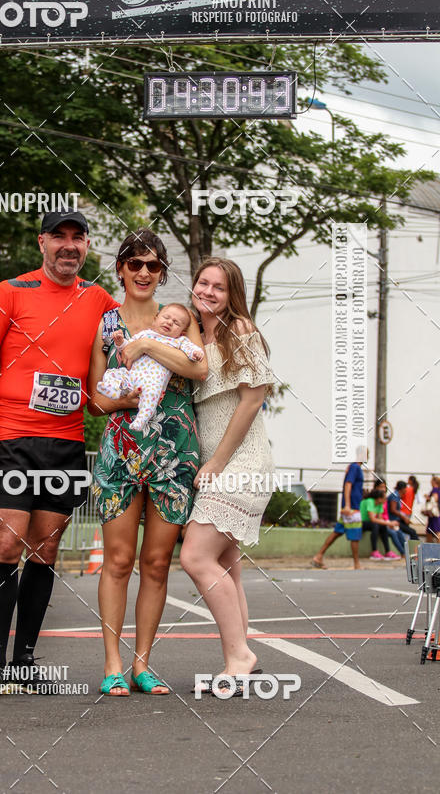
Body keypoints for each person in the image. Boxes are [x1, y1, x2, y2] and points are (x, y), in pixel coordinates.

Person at [0, 209, 118, 697]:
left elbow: (136, 330)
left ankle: (25, 660)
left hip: (67, 443)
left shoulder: (98, 300)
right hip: (12, 438)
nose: (69, 246)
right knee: (7, 545)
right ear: (42, 243)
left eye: (78, 238)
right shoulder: (11, 291)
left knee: (46, 549)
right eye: (60, 237)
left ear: (87, 247)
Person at [89, 230, 207, 696]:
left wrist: (145, 347)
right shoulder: (105, 323)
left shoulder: (178, 318)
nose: (143, 272)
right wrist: (126, 399)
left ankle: (143, 664)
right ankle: (113, 663)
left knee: (157, 563)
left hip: (174, 453)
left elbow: (198, 369)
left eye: (153, 265)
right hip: (122, 449)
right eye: (134, 263)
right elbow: (97, 397)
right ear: (120, 268)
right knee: (118, 560)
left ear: (162, 272)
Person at [179, 258, 276, 690]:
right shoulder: (193, 335)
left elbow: (252, 401)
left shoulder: (240, 331)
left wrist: (216, 463)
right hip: (212, 467)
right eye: (203, 283)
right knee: (226, 564)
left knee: (196, 556)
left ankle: (240, 654)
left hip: (242, 464)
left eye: (219, 286)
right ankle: (239, 660)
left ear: (231, 293)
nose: (209, 291)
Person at [96, 303, 204, 431]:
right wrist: (120, 342)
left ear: (182, 332)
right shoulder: (145, 334)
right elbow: (128, 348)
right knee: (113, 373)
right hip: (133, 374)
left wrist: (196, 353)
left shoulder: (179, 341)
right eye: (166, 317)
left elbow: (191, 350)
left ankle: (142, 418)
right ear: (156, 319)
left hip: (152, 381)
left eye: (176, 323)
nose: (169, 322)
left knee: (152, 394)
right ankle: (113, 389)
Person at [312, 447, 368, 570]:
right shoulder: (355, 468)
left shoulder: (353, 467)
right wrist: (347, 505)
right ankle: (357, 564)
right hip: (352, 508)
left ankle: (319, 555)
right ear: (361, 454)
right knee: (355, 536)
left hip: (351, 506)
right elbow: (348, 484)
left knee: (337, 533)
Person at [360, 483, 401, 560]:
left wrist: (388, 524)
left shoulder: (379, 504)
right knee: (375, 525)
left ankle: (387, 551)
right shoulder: (370, 501)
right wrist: (389, 523)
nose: (386, 500)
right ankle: (374, 551)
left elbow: (380, 519)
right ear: (379, 498)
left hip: (370, 523)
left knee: (382, 526)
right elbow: (372, 519)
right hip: (362, 522)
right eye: (384, 498)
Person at [387, 480, 420, 549]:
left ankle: (414, 549)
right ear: (402, 489)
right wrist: (404, 517)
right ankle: (415, 550)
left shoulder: (397, 496)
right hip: (393, 520)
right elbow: (393, 510)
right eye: (406, 488)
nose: (406, 490)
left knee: (411, 531)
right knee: (412, 532)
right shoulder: (395, 496)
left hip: (397, 519)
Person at [423, 476, 440, 543]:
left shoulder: (435, 489)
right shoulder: (438, 489)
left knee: (436, 531)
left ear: (434, 482)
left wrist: (427, 498)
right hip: (434, 515)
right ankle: (429, 547)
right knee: (429, 532)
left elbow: (435, 499)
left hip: (433, 514)